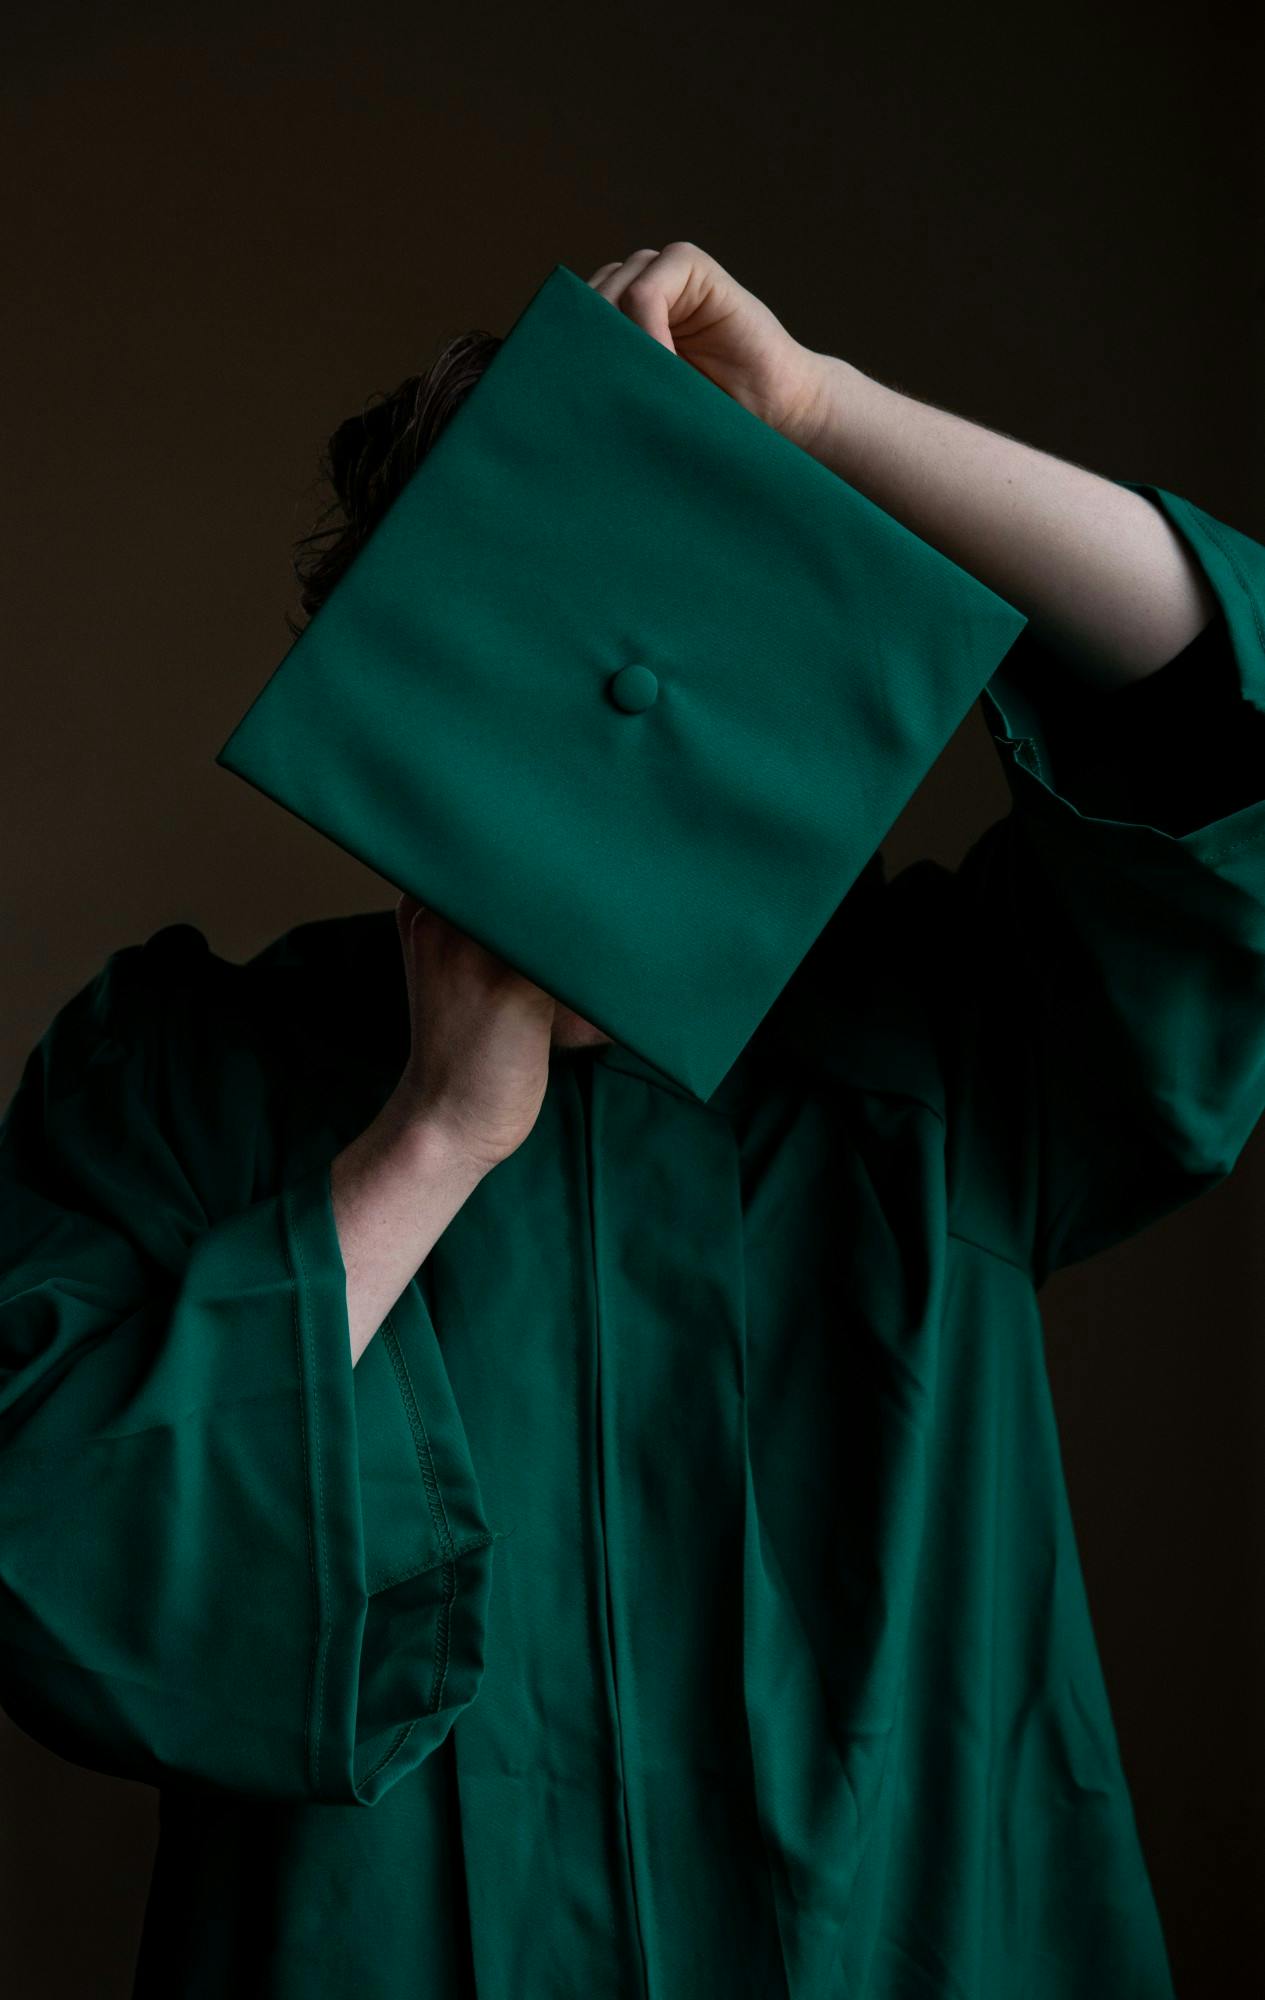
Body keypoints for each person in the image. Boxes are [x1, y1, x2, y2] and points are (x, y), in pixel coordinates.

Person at [3, 243, 1264, 1999]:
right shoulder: (189, 1072)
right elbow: (59, 1567)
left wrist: (821, 412)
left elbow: (1224, 731)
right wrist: (431, 1138)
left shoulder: (936, 1045)